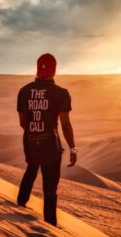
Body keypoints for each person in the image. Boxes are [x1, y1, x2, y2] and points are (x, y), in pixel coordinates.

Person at [16, 53, 77, 226]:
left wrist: (35, 132)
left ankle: (19, 204)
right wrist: (72, 148)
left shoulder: (24, 91)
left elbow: (23, 122)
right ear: (54, 70)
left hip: (30, 142)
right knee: (50, 189)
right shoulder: (61, 93)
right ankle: (50, 227)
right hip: (51, 146)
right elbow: (65, 125)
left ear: (37, 68)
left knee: (31, 169)